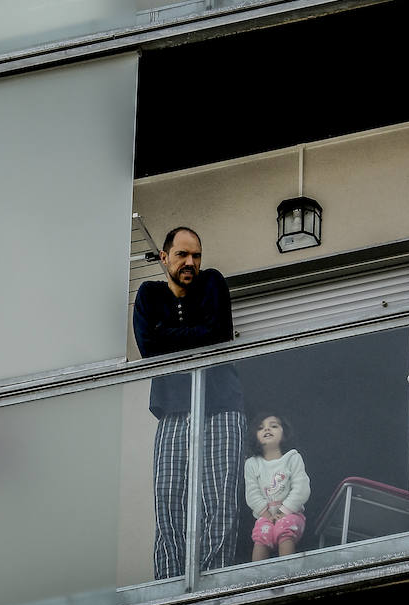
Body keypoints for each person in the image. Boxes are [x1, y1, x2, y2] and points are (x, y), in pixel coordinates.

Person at [133, 226, 245, 580]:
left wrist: (168, 334)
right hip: (173, 410)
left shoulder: (212, 282)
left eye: (196, 255)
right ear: (164, 257)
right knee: (169, 502)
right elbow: (149, 348)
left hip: (222, 406)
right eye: (182, 255)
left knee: (220, 502)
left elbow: (217, 336)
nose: (190, 262)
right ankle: (170, 586)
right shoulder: (149, 294)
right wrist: (188, 337)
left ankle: (214, 581)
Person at [244, 412, 311, 561]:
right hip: (265, 515)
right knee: (261, 535)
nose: (267, 429)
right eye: (261, 428)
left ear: (284, 433)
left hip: (291, 513)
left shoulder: (293, 458)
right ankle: (257, 578)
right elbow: (252, 493)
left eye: (273, 426)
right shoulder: (252, 464)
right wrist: (266, 514)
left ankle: (286, 571)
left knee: (284, 528)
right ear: (255, 436)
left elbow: (301, 488)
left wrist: (284, 511)